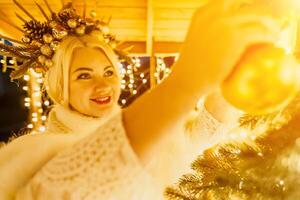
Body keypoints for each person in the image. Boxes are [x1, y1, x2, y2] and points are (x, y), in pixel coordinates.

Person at [0, 0, 282, 199]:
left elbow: (205, 130)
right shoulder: (34, 154)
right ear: (61, 88)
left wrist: (228, 74)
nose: (103, 85)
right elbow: (75, 185)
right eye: (84, 76)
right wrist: (187, 79)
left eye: (108, 72)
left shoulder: (153, 130)